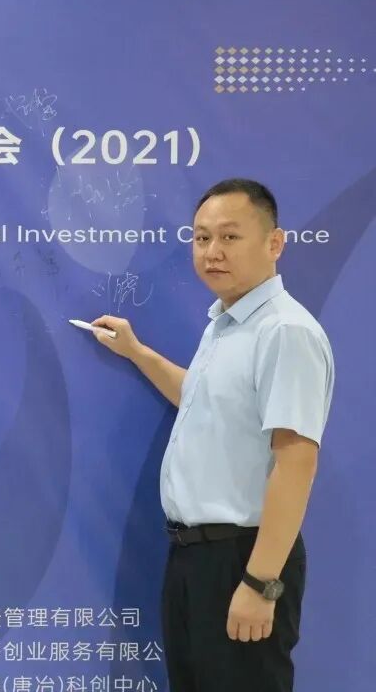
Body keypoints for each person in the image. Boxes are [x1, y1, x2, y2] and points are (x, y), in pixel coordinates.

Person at [90, 179, 334, 692]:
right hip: (193, 558)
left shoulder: (284, 331)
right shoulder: (227, 324)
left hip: (242, 559)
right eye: (202, 238)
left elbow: (296, 461)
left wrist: (260, 583)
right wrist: (138, 353)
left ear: (274, 243)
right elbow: (203, 399)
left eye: (229, 237)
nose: (212, 252)